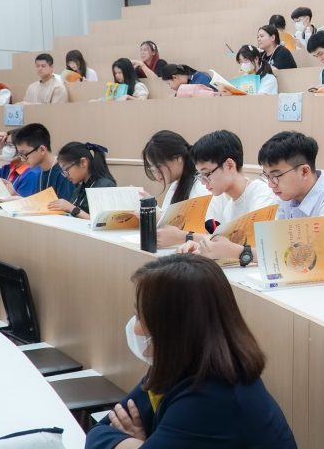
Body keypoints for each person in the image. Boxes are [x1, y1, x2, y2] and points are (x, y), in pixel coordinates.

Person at [85, 254, 296, 449]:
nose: (136, 329)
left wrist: (139, 443)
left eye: (141, 316)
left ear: (173, 329)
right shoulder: (180, 366)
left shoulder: (212, 398)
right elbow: (98, 433)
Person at [175, 131, 277, 261]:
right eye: (200, 176)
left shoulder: (261, 194)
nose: (204, 182)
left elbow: (266, 251)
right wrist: (200, 247)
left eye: (207, 174)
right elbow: (225, 247)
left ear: (229, 165)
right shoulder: (228, 207)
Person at [257, 131, 324, 242]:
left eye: (276, 175)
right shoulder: (284, 196)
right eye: (267, 176)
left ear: (304, 171)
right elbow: (276, 243)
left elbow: (322, 250)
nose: (270, 184)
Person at [144, 131, 217, 248]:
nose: (156, 174)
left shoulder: (203, 188)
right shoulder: (176, 184)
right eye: (152, 169)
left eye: (158, 166)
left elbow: (214, 238)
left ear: (178, 158)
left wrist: (181, 237)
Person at [1, 123, 76, 200]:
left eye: (25, 154)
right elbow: (38, 204)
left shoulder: (64, 174)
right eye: (20, 154)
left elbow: (65, 207)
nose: (23, 159)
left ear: (42, 150)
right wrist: (15, 196)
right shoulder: (39, 173)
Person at [48, 141, 116, 219]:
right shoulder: (79, 188)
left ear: (83, 162)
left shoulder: (105, 186)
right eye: (64, 172)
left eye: (66, 169)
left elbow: (103, 222)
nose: (66, 175)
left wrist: (72, 209)